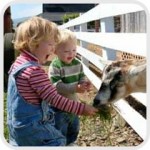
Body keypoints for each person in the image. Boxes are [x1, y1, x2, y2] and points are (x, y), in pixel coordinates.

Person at [7, 16, 98, 146]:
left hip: (16, 126)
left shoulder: (18, 64)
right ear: (33, 42)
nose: (53, 48)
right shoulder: (34, 71)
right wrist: (81, 108)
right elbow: (54, 99)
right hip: (32, 127)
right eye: (50, 44)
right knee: (58, 141)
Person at [49, 29, 92, 146]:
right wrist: (75, 88)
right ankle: (60, 144)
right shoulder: (55, 66)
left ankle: (71, 143)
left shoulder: (77, 63)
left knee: (74, 127)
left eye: (74, 50)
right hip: (58, 107)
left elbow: (81, 76)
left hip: (73, 104)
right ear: (56, 51)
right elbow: (56, 86)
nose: (71, 54)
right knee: (60, 129)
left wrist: (84, 83)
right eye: (66, 51)